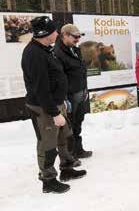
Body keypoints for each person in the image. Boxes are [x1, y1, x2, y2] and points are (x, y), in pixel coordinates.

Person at [21, 16, 87, 194]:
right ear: (45, 34)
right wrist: (54, 113)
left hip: (56, 104)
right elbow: (40, 88)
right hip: (44, 108)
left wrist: (61, 103)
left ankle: (67, 169)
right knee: (48, 144)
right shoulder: (33, 54)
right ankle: (48, 180)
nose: (57, 34)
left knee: (65, 137)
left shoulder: (44, 49)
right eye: (54, 31)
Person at [54, 24, 93, 159]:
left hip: (80, 92)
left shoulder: (75, 50)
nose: (78, 39)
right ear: (65, 35)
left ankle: (78, 149)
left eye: (79, 36)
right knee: (69, 126)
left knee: (78, 122)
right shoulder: (57, 53)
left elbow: (81, 71)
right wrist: (64, 98)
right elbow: (58, 78)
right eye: (75, 36)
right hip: (70, 96)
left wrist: (85, 89)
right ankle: (70, 155)